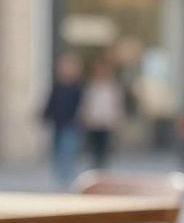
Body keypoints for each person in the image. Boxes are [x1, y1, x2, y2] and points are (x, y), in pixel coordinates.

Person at [42, 52, 85, 186]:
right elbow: (51, 102)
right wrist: (45, 115)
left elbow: (82, 104)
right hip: (58, 121)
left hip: (71, 122)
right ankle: (59, 175)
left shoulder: (78, 86)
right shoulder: (58, 85)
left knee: (68, 148)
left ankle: (67, 174)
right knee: (58, 148)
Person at [79, 57, 124, 170]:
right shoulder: (91, 86)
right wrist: (85, 116)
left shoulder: (111, 87)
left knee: (104, 145)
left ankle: (102, 166)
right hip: (93, 120)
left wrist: (116, 118)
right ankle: (95, 166)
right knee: (93, 145)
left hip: (106, 121)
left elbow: (115, 104)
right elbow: (86, 102)